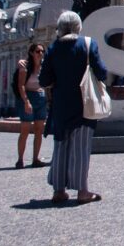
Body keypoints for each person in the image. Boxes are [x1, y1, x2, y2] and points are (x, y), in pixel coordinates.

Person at [39, 11, 107, 205]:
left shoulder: (53, 48)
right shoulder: (88, 44)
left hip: (60, 105)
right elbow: (101, 72)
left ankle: (58, 191)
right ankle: (82, 191)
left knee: (60, 146)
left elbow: (44, 79)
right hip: (84, 103)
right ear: (79, 26)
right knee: (81, 148)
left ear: (60, 28)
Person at [14, 43, 48, 169]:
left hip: (41, 97)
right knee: (25, 130)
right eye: (38, 51)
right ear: (32, 52)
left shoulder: (44, 66)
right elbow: (21, 85)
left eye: (42, 51)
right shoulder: (25, 66)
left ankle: (35, 159)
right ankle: (20, 160)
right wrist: (26, 101)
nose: (40, 54)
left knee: (39, 131)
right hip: (28, 97)